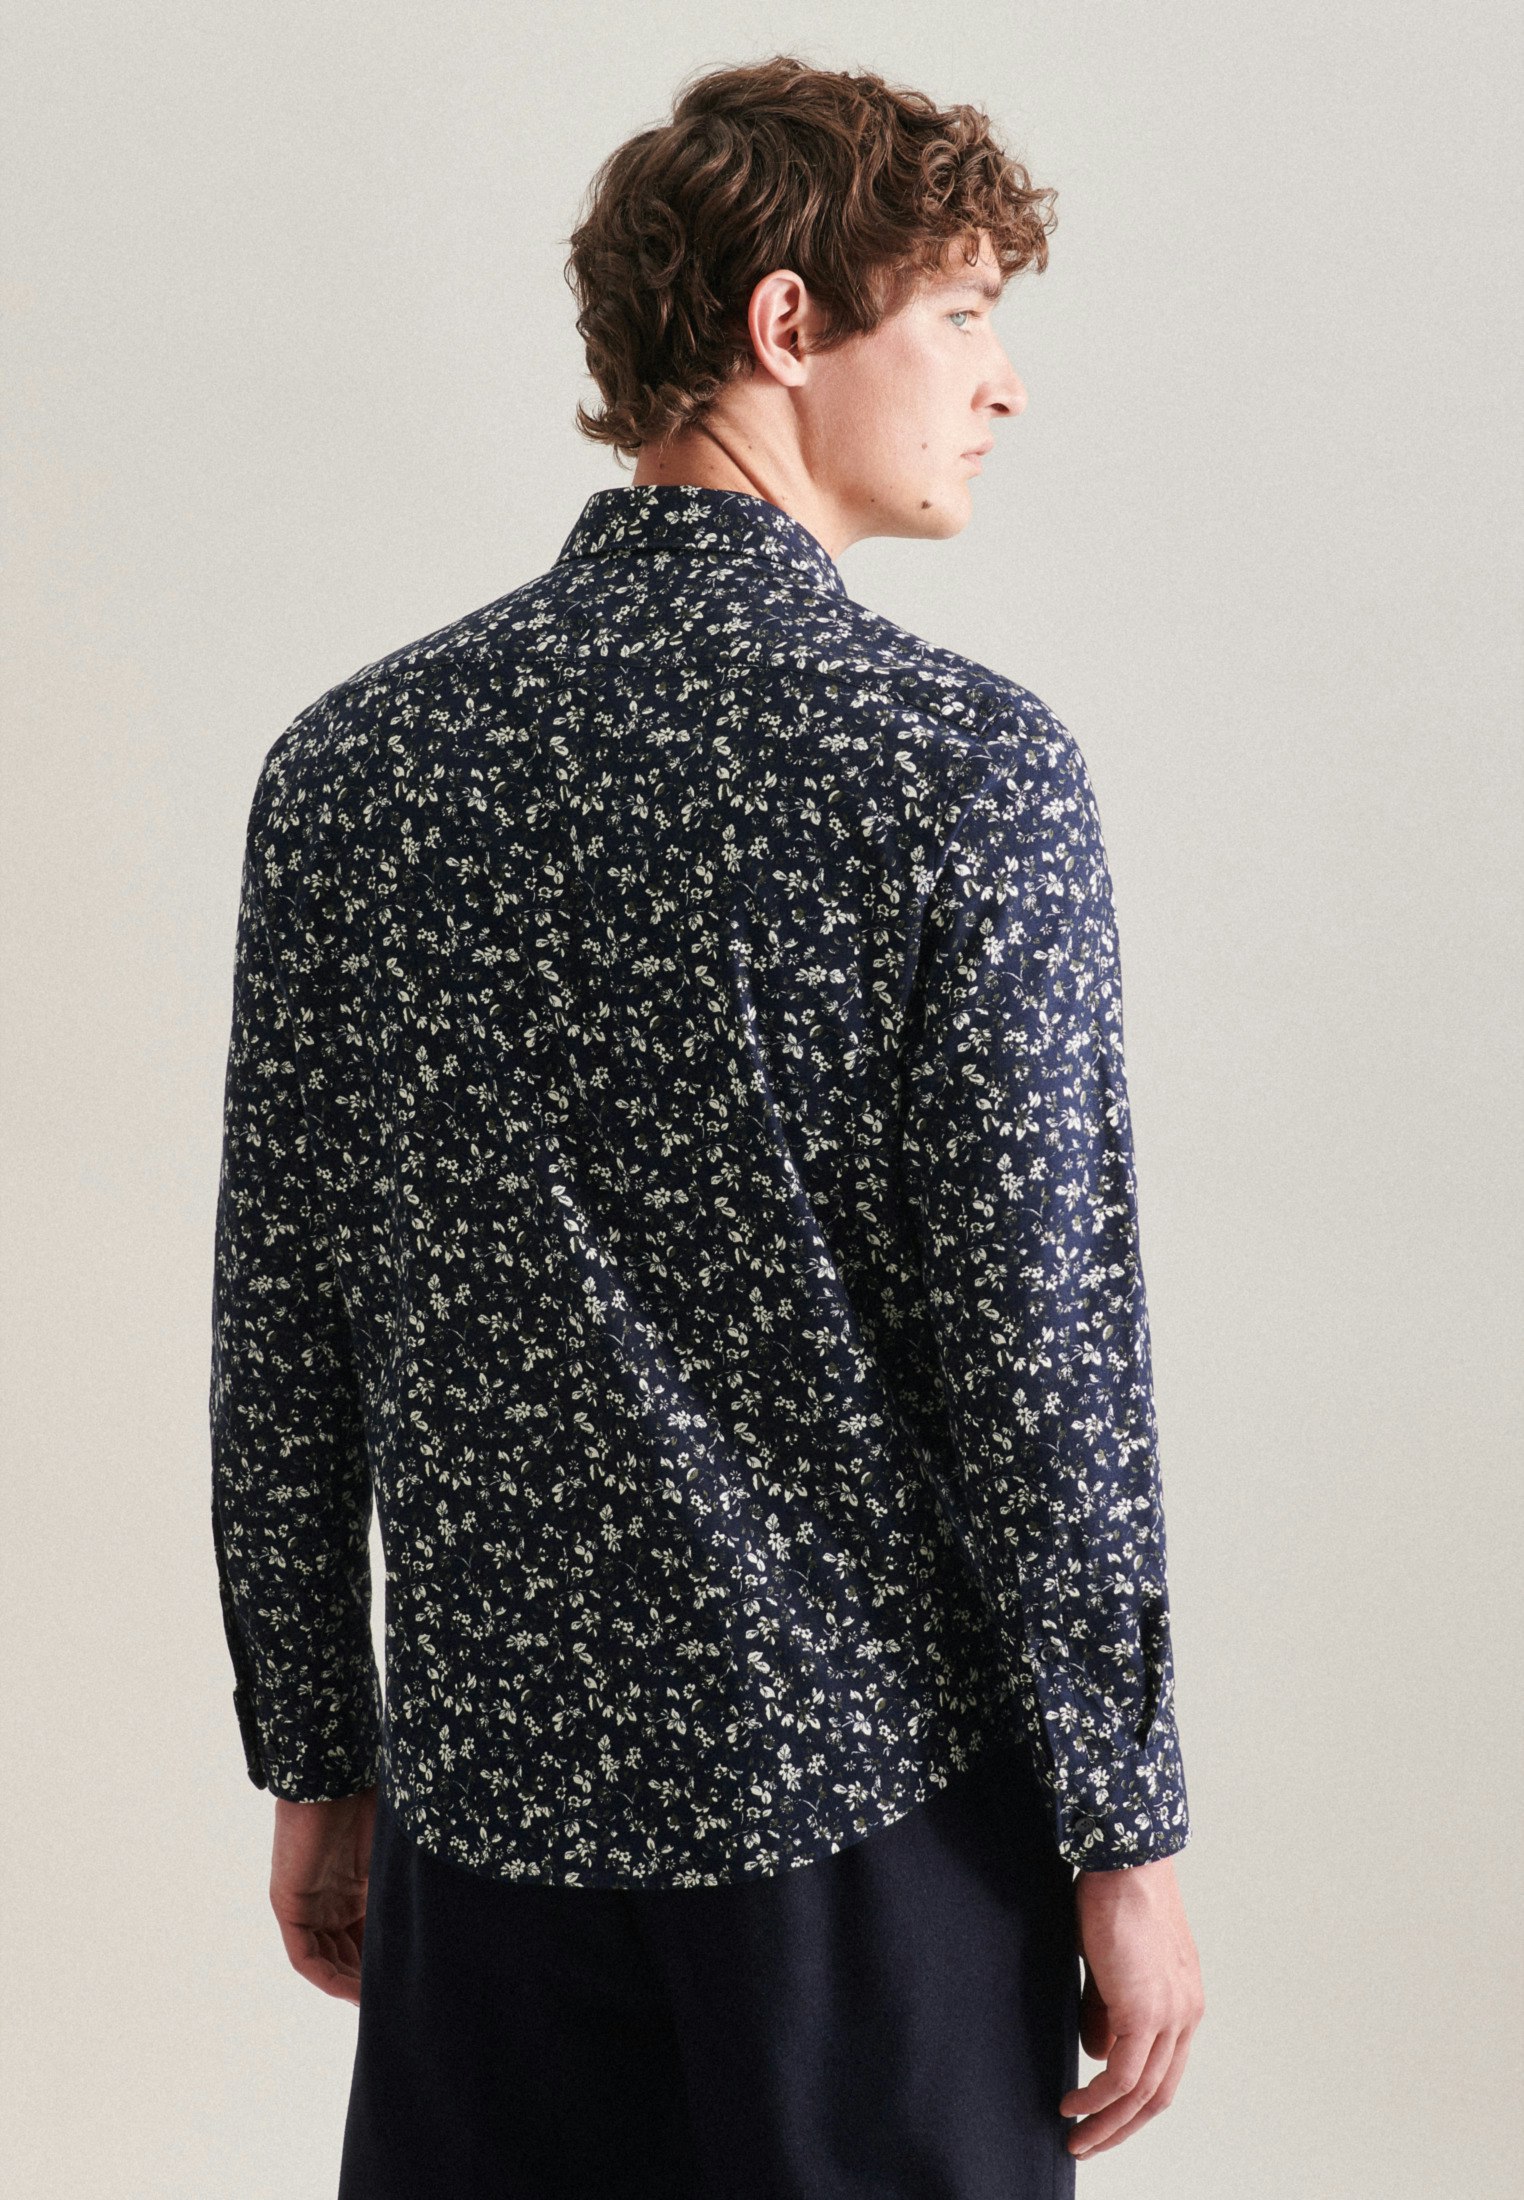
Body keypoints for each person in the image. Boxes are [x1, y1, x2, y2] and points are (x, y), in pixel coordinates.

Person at [209, 53, 1204, 2199]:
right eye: (963, 312)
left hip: (484, 1830)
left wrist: (316, 1753)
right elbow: (1042, 1355)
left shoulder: (356, 768)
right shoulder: (958, 772)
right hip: (868, 1829)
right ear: (786, 323)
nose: (1004, 381)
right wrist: (1124, 1830)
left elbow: (285, 1317)